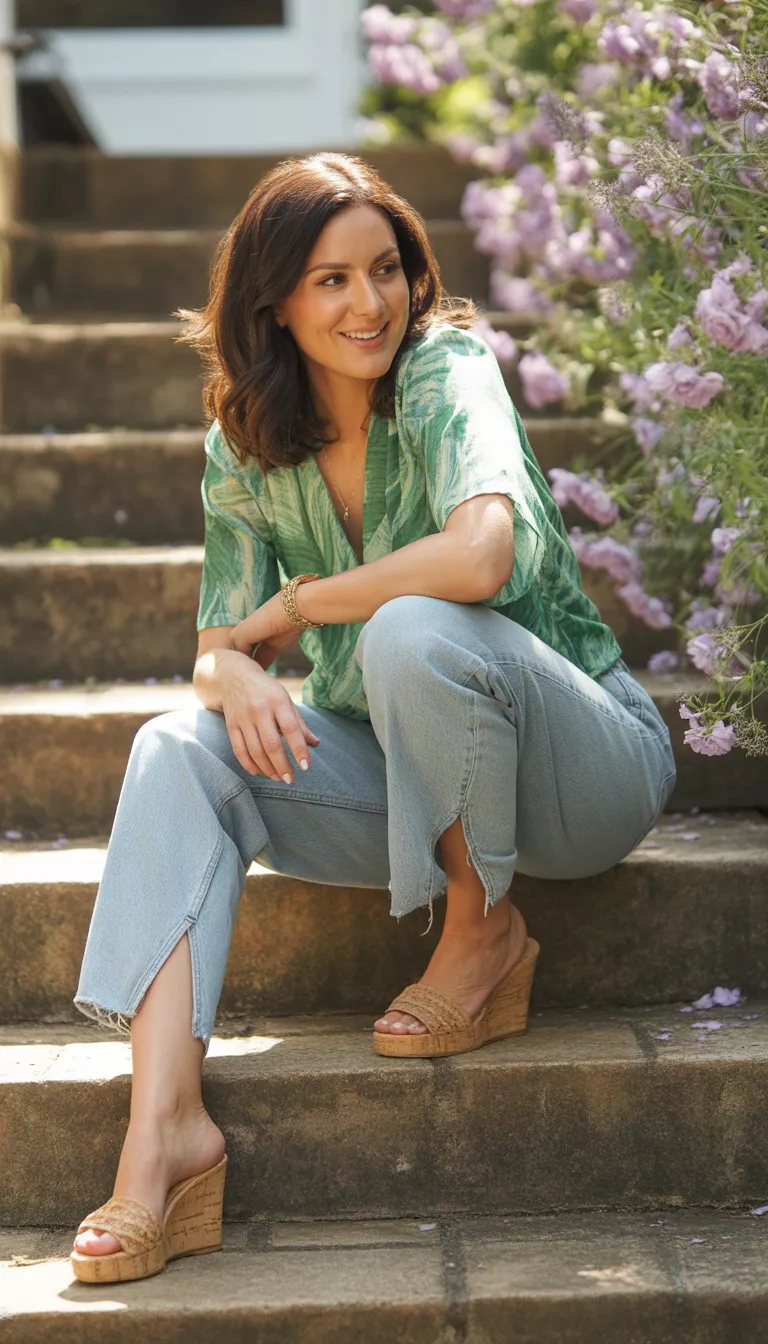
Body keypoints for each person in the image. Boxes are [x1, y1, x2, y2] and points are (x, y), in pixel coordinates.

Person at [69, 151, 676, 1282]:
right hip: (412, 774)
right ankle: (164, 1138)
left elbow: (480, 555)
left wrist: (292, 610)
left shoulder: (446, 367)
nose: (371, 303)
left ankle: (484, 926)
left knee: (407, 625)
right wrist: (231, 675)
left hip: (579, 766)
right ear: (277, 304)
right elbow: (219, 644)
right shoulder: (244, 447)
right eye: (332, 281)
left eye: (385, 269)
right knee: (171, 749)